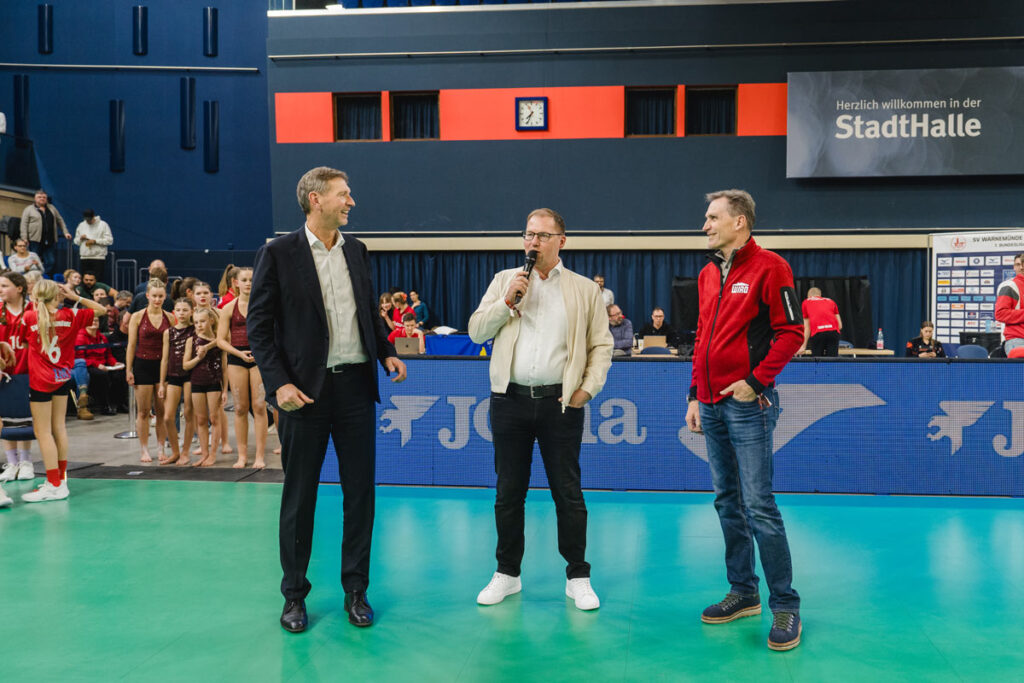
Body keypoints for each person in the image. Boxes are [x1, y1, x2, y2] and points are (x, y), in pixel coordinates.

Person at [248, 166, 407, 633]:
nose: (351, 201)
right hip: (303, 395)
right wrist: (278, 384)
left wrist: (386, 351)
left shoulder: (356, 250)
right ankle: (294, 595)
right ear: (315, 199)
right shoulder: (278, 253)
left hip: (355, 388)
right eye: (343, 194)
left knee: (360, 494)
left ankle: (356, 589)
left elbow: (367, 310)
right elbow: (259, 327)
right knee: (300, 497)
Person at [468, 208, 614, 612]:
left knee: (568, 492)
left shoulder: (584, 289)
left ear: (561, 241)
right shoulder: (504, 280)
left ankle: (578, 576)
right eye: (529, 234)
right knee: (508, 493)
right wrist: (506, 302)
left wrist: (587, 388)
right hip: (508, 401)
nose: (533, 242)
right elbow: (476, 331)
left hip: (560, 404)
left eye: (543, 236)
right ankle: (507, 573)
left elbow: (602, 345)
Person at [685, 189, 804, 652]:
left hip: (748, 404)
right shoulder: (707, 273)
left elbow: (791, 333)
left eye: (712, 217)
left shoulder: (771, 267)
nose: (705, 225)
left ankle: (786, 604)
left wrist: (755, 381)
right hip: (710, 404)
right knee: (726, 501)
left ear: (739, 222)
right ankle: (743, 591)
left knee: (759, 505)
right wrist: (694, 395)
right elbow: (702, 338)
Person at [20, 281, 107, 503]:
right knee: (59, 428)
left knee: (43, 432)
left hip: (40, 381)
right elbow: (102, 310)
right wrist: (75, 297)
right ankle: (61, 480)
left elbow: (23, 343)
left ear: (35, 296)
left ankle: (53, 484)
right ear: (57, 296)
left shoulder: (29, 317)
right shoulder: (70, 315)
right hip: (62, 377)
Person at [217, 267, 269, 470]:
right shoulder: (229, 308)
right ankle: (242, 456)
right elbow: (220, 340)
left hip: (259, 358)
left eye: (252, 280)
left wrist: (263, 351)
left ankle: (259, 456)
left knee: (259, 406)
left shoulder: (264, 305)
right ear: (236, 283)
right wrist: (238, 354)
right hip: (237, 358)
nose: (248, 283)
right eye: (244, 280)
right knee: (240, 408)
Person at [126, 278, 174, 463]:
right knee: (143, 411)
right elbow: (131, 345)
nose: (157, 300)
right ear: (147, 295)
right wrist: (129, 369)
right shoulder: (137, 316)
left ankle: (161, 448)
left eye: (160, 296)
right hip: (142, 365)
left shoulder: (170, 317)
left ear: (165, 297)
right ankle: (144, 449)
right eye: (154, 296)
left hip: (163, 367)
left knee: (162, 411)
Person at [0, 271, 34, 483]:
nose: (0, 289)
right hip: (4, 373)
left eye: (4, 285)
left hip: (28, 372)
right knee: (6, 419)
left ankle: (26, 461)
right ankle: (11, 462)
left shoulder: (32, 310)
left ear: (19, 288)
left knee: (24, 420)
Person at [183, 307, 226, 468]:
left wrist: (225, 389)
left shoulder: (219, 340)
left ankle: (213, 454)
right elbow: (185, 365)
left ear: (211, 321)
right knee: (200, 419)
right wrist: (198, 358)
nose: (199, 325)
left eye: (202, 321)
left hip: (214, 381)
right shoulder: (191, 340)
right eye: (196, 322)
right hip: (197, 381)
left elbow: (224, 367)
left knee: (214, 418)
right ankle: (204, 453)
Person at [159, 298, 196, 466]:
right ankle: (175, 451)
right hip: (173, 375)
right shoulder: (169, 332)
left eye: (185, 310)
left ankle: (185, 452)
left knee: (189, 413)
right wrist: (162, 382)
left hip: (190, 374)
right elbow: (165, 359)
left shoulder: (195, 330)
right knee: (168, 417)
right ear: (174, 312)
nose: (181, 313)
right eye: (178, 310)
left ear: (191, 312)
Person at [74, 313, 126, 416]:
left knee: (120, 373)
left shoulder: (102, 337)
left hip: (104, 365)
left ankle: (119, 403)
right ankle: (104, 405)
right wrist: (97, 365)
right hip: (88, 366)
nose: (94, 322)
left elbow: (108, 355)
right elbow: (80, 359)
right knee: (101, 375)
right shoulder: (80, 338)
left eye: (96, 320)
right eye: (91, 320)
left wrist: (114, 363)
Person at [20, 190, 71, 274]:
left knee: (50, 261)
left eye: (44, 197)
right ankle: (33, 277)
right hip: (34, 240)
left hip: (50, 240)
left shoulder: (52, 208)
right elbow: (24, 224)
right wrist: (24, 238)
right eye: (39, 197)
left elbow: (60, 220)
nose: (42, 199)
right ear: (35, 198)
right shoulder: (28, 209)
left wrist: (66, 232)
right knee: (33, 261)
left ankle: (43, 275)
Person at [795, 287, 842, 356]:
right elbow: (839, 325)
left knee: (817, 359)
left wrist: (803, 346)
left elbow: (807, 327)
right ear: (820, 295)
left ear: (809, 296)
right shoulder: (831, 301)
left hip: (818, 333)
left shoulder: (806, 302)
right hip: (833, 333)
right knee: (832, 360)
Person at [995, 252, 1024, 355]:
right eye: (1018, 264)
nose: (1021, 267)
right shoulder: (1009, 286)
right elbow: (1000, 314)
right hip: (1018, 340)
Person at [73, 209, 114, 281]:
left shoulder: (103, 225)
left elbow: (109, 240)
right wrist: (80, 238)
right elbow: (76, 241)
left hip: (98, 257)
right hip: (84, 257)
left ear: (93, 217)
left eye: (90, 220)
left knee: (97, 280)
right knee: (85, 280)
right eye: (86, 220)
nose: (88, 222)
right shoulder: (81, 225)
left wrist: (95, 241)